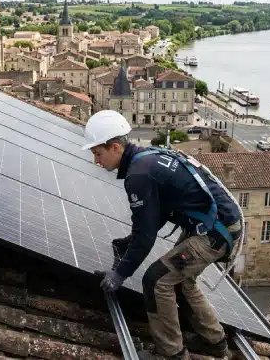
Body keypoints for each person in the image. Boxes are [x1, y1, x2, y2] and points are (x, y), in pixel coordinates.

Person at [82, 110, 242, 360]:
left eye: (98, 153)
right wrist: (130, 243)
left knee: (156, 280)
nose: (96, 161)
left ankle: (171, 353)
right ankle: (215, 342)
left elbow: (146, 235)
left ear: (115, 147)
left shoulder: (138, 175)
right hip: (217, 224)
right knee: (181, 281)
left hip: (215, 232)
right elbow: (157, 215)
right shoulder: (149, 158)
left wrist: (120, 274)